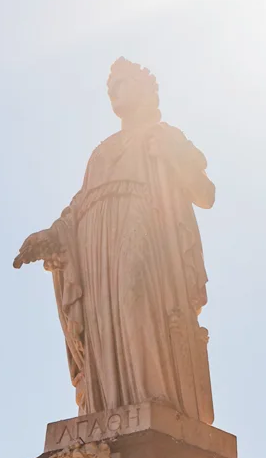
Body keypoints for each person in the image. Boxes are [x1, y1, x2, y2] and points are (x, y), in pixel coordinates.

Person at [15, 59, 217, 424]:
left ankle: (157, 401)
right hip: (94, 245)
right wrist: (52, 235)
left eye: (122, 83)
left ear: (146, 89)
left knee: (133, 298)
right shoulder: (101, 151)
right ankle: (109, 409)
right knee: (100, 321)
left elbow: (205, 193)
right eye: (110, 87)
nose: (113, 91)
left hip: (142, 225)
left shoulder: (164, 135)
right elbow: (77, 207)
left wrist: (173, 157)